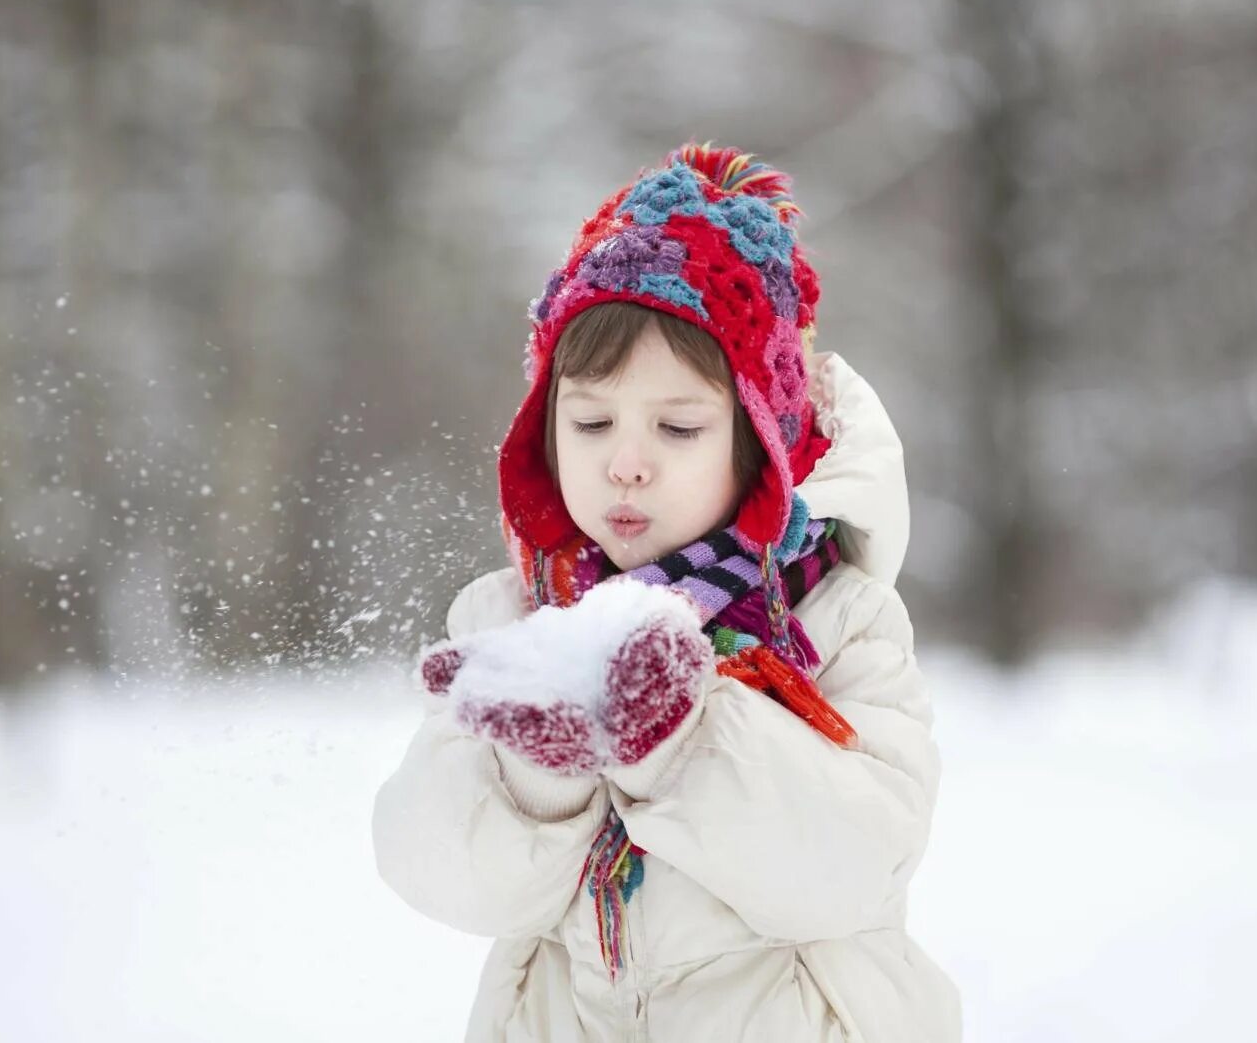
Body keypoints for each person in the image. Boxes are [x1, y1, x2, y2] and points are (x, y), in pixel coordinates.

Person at [371, 143, 962, 1042]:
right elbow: (437, 871)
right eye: (592, 420)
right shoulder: (518, 624)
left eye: (678, 426)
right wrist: (541, 766)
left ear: (760, 440)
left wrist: (679, 737)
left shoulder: (839, 623)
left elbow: (852, 868)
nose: (626, 461)